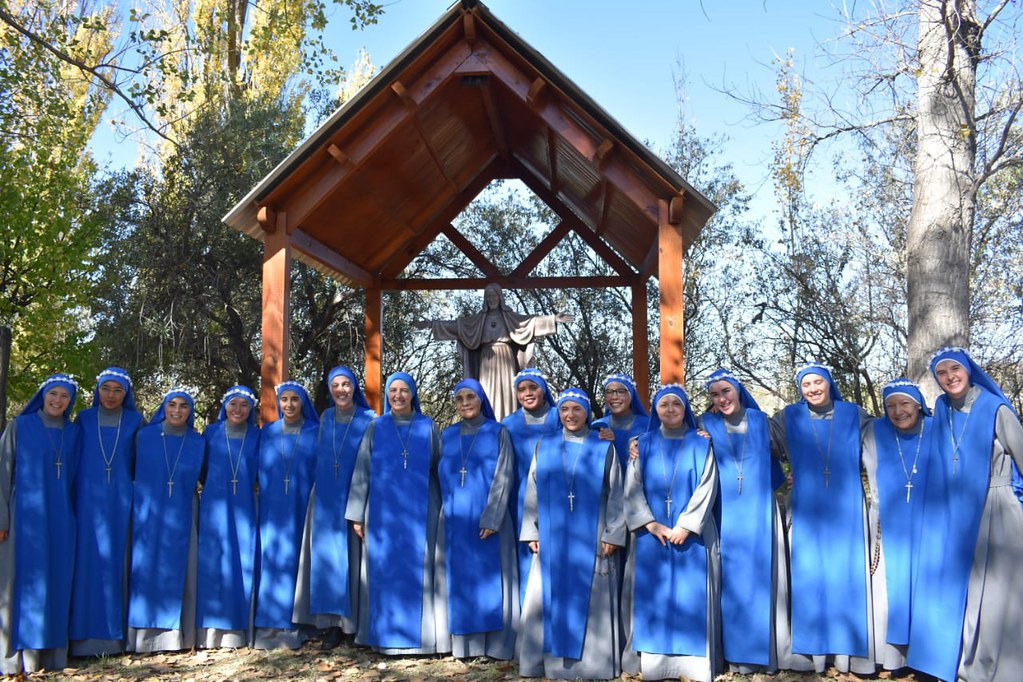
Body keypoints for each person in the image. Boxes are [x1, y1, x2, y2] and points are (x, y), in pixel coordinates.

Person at [906, 347, 1023, 682]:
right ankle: (962, 662)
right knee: (967, 590)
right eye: (941, 373)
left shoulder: (995, 408)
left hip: (996, 508)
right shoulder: (942, 408)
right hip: (955, 513)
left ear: (969, 370)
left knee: (999, 593)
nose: (949, 377)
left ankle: (1003, 667)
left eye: (955, 369)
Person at [770, 362, 874, 674]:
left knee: (846, 577)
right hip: (807, 509)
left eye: (818, 382)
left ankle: (846, 656)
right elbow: (754, 437)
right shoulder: (788, 418)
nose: (813, 389)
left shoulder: (854, 414)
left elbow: (882, 441)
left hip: (846, 509)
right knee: (810, 578)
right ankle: (813, 654)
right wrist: (705, 431)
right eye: (806, 384)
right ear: (800, 389)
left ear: (829, 383)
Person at [518, 387, 625, 679]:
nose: (570, 415)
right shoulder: (546, 444)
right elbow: (532, 488)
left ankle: (595, 665)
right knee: (551, 595)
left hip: (592, 535)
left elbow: (617, 492)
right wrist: (531, 530)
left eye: (576, 409)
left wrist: (612, 533)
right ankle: (551, 665)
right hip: (553, 536)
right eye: (564, 409)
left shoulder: (603, 446)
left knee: (592, 596)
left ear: (587, 412)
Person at [621, 384, 721, 681]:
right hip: (651, 534)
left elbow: (708, 485)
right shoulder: (643, 443)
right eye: (663, 405)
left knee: (690, 596)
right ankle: (656, 664)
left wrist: (686, 525)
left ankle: (694, 666)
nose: (670, 410)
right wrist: (649, 523)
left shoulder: (701, 444)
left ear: (685, 409)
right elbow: (632, 486)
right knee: (655, 595)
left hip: (692, 535)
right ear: (654, 410)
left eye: (676, 404)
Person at [345, 372, 449, 655]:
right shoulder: (376, 427)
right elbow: (362, 470)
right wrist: (356, 513)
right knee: (383, 570)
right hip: (382, 513)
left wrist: (447, 510)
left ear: (413, 393)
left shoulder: (428, 427)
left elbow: (441, 469)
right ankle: (383, 637)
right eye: (393, 390)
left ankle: (424, 640)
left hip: (422, 512)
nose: (398, 396)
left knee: (420, 569)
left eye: (404, 390)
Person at [701, 369, 792, 674]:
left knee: (760, 579)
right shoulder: (705, 424)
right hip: (723, 514)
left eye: (726, 391)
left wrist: (799, 475)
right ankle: (730, 654)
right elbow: (674, 439)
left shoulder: (760, 421)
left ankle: (764, 654)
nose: (721, 398)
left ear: (738, 391)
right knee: (728, 583)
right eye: (714, 394)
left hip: (758, 514)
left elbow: (793, 453)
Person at [0, 374, 81, 674]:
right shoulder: (19, 426)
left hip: (60, 517)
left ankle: (50, 656)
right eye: (53, 394)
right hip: (24, 516)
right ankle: (16, 658)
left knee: (56, 583)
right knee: (22, 583)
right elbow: (2, 473)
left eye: (64, 396)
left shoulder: (74, 433)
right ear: (43, 395)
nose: (58, 401)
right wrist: (2, 518)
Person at [295, 367, 376, 645]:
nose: (341, 390)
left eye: (346, 385)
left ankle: (353, 625)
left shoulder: (370, 419)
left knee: (353, 560)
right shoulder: (326, 417)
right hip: (325, 498)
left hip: (354, 497)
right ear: (330, 390)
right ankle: (330, 625)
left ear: (354, 387)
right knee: (327, 561)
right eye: (336, 386)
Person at [438, 379, 517, 659]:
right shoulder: (447, 435)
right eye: (459, 398)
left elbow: (504, 474)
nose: (465, 402)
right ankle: (464, 647)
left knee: (490, 580)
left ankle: (495, 647)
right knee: (463, 581)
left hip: (489, 518)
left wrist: (492, 517)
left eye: (470, 396)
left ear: (481, 399)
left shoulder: (498, 432)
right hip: (456, 518)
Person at [861, 378, 935, 671]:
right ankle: (894, 658)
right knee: (888, 591)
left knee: (927, 586)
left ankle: (928, 656)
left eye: (904, 403)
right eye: (890, 405)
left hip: (930, 518)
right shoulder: (872, 431)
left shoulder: (937, 428)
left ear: (919, 405)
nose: (898, 411)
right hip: (885, 519)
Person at [69, 368, 144, 656]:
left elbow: (144, 462)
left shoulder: (136, 421)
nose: (111, 395)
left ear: (126, 395)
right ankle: (82, 639)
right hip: (87, 502)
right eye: (106, 388)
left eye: (118, 390)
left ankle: (115, 638)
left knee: (117, 563)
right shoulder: (83, 419)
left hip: (122, 503)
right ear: (97, 389)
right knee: (87, 564)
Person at [417, 283, 572, 420]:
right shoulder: (478, 320)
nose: (491, 299)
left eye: (494, 296)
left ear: (500, 298)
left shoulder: (509, 317)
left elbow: (530, 322)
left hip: (505, 359)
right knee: (486, 392)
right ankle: (489, 423)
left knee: (507, 393)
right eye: (488, 296)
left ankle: (506, 421)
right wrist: (432, 324)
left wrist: (553, 319)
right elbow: (456, 327)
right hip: (486, 362)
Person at [126, 387, 205, 653]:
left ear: (190, 411)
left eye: (184, 406)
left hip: (184, 512)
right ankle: (144, 638)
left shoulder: (198, 442)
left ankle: (178, 637)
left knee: (181, 573)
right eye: (173, 404)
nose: (177, 410)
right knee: (146, 571)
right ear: (164, 407)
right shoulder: (144, 437)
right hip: (148, 513)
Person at [253, 382, 319, 650]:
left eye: (295, 400)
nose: (289, 405)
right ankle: (269, 625)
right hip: (272, 509)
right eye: (284, 400)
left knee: (297, 562)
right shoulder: (267, 432)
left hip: (302, 505)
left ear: (303, 402)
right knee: (273, 561)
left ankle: (299, 626)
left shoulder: (315, 431)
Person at [196, 386, 261, 648]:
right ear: (224, 406)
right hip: (215, 508)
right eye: (233, 404)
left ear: (251, 409)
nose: (238, 410)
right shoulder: (210, 433)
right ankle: (210, 632)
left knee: (241, 562)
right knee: (214, 564)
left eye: (244, 405)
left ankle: (237, 630)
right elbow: (200, 470)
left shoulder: (257, 436)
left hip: (245, 507)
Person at [501, 368, 560, 607]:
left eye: (533, 388)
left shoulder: (560, 416)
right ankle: (527, 625)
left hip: (556, 498)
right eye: (522, 389)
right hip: (518, 499)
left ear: (544, 390)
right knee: (524, 557)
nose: (527, 393)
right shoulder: (508, 423)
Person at [593, 372, 648, 476]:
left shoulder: (648, 426)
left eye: (621, 391)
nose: (614, 397)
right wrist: (602, 443)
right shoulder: (597, 427)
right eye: (609, 392)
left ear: (631, 395)